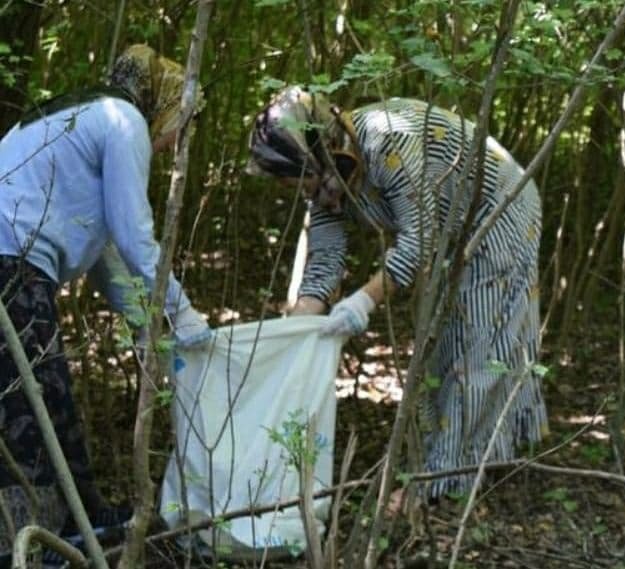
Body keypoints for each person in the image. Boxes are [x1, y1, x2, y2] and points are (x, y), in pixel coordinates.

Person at [247, 85, 548, 501]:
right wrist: (297, 335)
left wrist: (363, 300)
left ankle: (442, 486)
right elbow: (324, 264)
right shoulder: (327, 182)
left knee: (478, 338)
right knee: (441, 343)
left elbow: (419, 239)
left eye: (292, 177)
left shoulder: (387, 139)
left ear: (315, 151)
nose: (294, 189)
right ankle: (447, 460)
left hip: (499, 207)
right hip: (449, 228)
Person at [0, 44, 210, 557]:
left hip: (16, 260)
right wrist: (183, 315)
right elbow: (136, 236)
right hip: (10, 261)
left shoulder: (80, 113)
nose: (175, 139)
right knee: (31, 409)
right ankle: (32, 542)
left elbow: (108, 261)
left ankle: (77, 521)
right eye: (179, 124)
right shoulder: (124, 121)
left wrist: (149, 327)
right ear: (159, 101)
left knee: (49, 397)